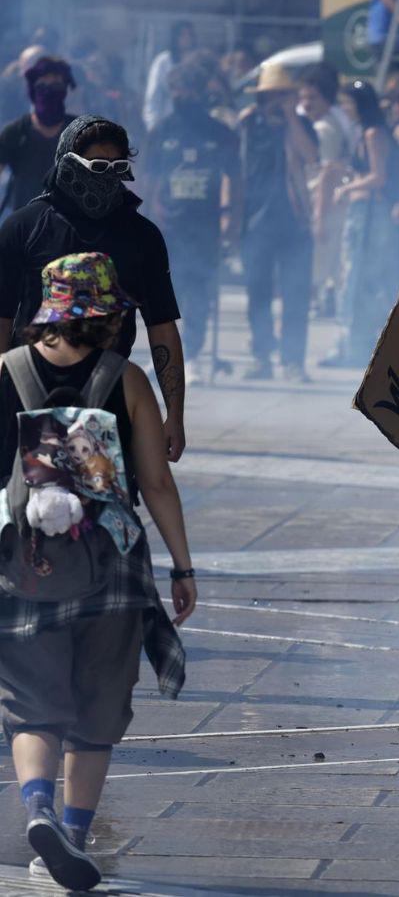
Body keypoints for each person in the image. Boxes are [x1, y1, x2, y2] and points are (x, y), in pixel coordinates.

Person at [0, 252, 194, 891]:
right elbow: (157, 482)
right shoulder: (126, 379)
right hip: (112, 566)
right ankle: (74, 837)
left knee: (32, 705)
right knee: (98, 708)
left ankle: (38, 812)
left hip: (25, 566)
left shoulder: (6, 372)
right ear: (109, 316)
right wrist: (183, 565)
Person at [0, 115, 188, 461]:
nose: (107, 177)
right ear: (68, 163)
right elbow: (1, 320)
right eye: (98, 166)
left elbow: (161, 327)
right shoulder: (23, 228)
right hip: (28, 391)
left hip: (109, 393)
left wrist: (174, 415)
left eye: (117, 168)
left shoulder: (142, 236)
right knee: (23, 501)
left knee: (108, 501)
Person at [144, 55, 241, 385]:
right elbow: (150, 179)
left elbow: (233, 179)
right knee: (167, 293)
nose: (180, 95)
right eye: (175, 89)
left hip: (205, 225)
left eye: (186, 89)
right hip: (168, 226)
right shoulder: (161, 131)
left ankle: (195, 355)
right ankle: (164, 356)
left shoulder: (221, 134)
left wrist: (231, 220)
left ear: (200, 92)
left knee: (199, 291)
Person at [236, 63, 318, 382]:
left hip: (294, 221)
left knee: (295, 294)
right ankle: (261, 357)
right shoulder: (248, 125)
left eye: (282, 96)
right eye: (270, 96)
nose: (274, 102)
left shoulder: (301, 125)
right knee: (258, 294)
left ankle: (293, 361)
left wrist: (291, 119)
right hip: (255, 222)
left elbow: (311, 157)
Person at [325, 80, 399, 368]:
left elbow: (378, 176)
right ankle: (355, 343)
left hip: (373, 215)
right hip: (363, 212)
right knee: (355, 276)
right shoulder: (363, 133)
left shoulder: (374, 133)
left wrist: (345, 189)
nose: (345, 109)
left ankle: (376, 342)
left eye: (347, 103)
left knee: (368, 275)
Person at [298, 63, 352, 319]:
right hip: (320, 204)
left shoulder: (325, 129)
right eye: (303, 97)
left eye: (312, 98)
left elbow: (327, 175)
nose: (306, 103)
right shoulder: (321, 124)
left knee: (319, 266)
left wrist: (319, 217)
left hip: (324, 206)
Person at [0, 56, 77, 216]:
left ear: (64, 90)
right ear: (33, 90)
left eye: (56, 85)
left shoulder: (80, 132)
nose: (49, 90)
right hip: (23, 226)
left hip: (67, 227)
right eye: (43, 85)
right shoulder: (16, 132)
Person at [142, 21, 196, 134]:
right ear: (175, 37)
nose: (186, 39)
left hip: (194, 120)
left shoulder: (198, 60)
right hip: (168, 122)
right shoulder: (163, 61)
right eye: (182, 35)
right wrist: (152, 122)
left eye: (189, 35)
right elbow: (154, 94)